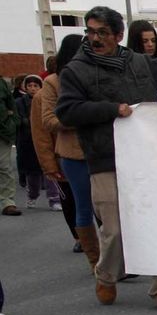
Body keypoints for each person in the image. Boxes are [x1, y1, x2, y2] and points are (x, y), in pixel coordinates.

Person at [55, 4, 157, 311]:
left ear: (119, 35)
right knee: (115, 228)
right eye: (90, 31)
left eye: (102, 32)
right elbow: (67, 111)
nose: (94, 38)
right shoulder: (75, 70)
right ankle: (107, 274)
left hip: (146, 157)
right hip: (104, 158)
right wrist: (112, 109)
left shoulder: (140, 63)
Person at [32, 35, 93, 262]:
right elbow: (43, 128)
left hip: (100, 152)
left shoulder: (95, 77)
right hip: (68, 155)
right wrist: (48, 164)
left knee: (104, 207)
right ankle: (90, 252)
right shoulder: (51, 85)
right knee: (76, 204)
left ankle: (112, 256)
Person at [15, 75, 61, 211]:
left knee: (50, 170)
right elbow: (20, 118)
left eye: (35, 86)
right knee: (33, 174)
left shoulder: (46, 99)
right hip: (28, 142)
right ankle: (32, 194)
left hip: (46, 138)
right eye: (29, 86)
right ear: (24, 86)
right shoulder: (20, 102)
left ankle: (54, 198)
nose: (32, 88)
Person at [0, 76, 19, 217]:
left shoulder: (2, 84)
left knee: (4, 166)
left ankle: (8, 202)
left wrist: (13, 122)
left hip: (3, 131)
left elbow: (11, 104)